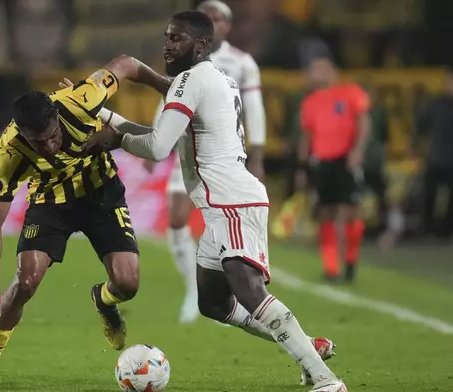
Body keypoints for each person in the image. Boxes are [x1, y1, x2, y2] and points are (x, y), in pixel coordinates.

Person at [84, 11, 346, 392]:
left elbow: (158, 148)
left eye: (177, 39)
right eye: (167, 37)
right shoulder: (214, 78)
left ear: (201, 44)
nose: (168, 45)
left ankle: (326, 380)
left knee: (250, 291)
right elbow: (163, 134)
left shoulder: (190, 81)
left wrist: (115, 138)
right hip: (223, 202)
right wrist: (106, 115)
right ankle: (308, 350)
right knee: (213, 303)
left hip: (230, 201)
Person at [0, 55, 171, 386]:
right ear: (22, 134)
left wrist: (166, 86)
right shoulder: (8, 153)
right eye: (38, 142)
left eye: (51, 136)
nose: (48, 146)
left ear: (56, 118)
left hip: (101, 193)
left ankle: (103, 300)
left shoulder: (81, 99)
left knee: (128, 283)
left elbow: (127, 64)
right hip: (50, 203)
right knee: (25, 282)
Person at [146, 0, 267, 324]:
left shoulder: (241, 63)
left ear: (224, 26)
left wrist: (257, 154)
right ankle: (192, 288)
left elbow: (253, 108)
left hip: (219, 155)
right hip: (185, 146)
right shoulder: (186, 61)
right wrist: (159, 135)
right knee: (175, 216)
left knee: (220, 227)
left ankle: (216, 285)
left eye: (217, 18)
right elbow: (173, 98)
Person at [296, 56, 371, 282]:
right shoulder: (309, 102)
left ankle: (350, 261)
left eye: (317, 70)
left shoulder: (350, 92)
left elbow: (364, 122)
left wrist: (358, 150)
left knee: (350, 212)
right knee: (325, 213)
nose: (312, 75)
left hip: (345, 160)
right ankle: (331, 268)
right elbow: (307, 136)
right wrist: (302, 166)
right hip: (321, 162)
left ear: (331, 72)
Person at [415, 67, 453, 240]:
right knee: (429, 193)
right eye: (450, 81)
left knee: (451, 197)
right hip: (436, 156)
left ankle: (449, 230)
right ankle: (428, 229)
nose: (452, 85)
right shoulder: (437, 103)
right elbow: (421, 124)